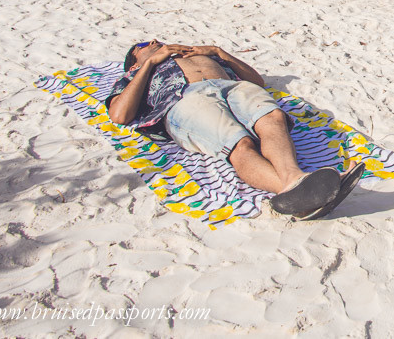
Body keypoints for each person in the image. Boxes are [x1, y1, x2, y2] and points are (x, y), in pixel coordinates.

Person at [104, 39, 363, 219]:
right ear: (134, 62)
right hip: (185, 99)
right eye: (143, 46)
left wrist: (218, 52)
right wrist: (150, 65)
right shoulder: (135, 76)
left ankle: (297, 185)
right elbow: (119, 115)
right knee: (239, 143)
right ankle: (301, 190)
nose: (153, 43)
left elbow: (256, 80)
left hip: (233, 87)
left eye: (155, 41)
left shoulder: (196, 53)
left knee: (273, 118)